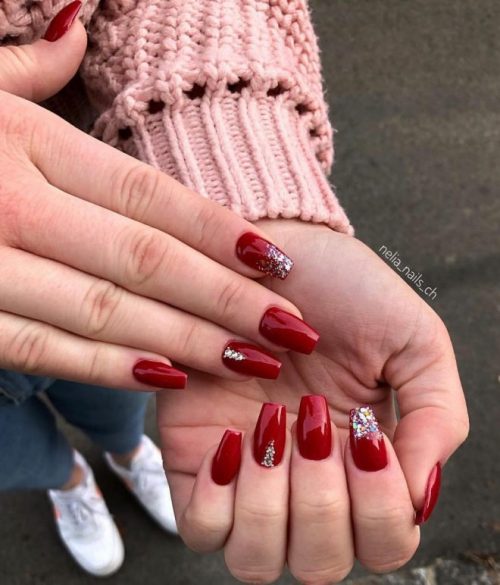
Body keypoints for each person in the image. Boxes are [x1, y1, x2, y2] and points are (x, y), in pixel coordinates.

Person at [0, 1, 469, 582]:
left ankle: (124, 456)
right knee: (20, 456)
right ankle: (68, 482)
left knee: (121, 398)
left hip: (106, 278)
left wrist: (225, 181)